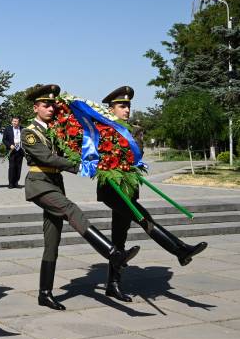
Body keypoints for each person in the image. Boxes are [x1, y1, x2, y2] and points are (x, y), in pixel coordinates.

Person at [21, 84, 140, 310]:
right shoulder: (29, 133)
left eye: (53, 105)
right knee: (72, 210)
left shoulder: (55, 131)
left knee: (52, 242)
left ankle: (44, 293)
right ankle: (112, 252)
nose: (50, 109)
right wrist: (79, 166)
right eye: (45, 105)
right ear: (36, 107)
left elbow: (75, 146)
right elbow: (48, 158)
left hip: (55, 185)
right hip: (39, 185)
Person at [98, 86, 207, 302]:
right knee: (144, 218)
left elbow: (135, 156)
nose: (127, 109)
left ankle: (113, 284)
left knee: (119, 237)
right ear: (111, 109)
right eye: (122, 106)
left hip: (129, 189)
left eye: (128, 106)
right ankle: (179, 250)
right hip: (112, 189)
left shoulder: (134, 131)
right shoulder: (100, 129)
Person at [3, 116, 25, 189]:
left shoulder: (23, 129)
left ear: (19, 122)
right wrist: (10, 145)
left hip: (20, 150)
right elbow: (4, 140)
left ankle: (16, 183)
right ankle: (11, 183)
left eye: (16, 121)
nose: (15, 123)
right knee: (12, 167)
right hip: (11, 150)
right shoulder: (7, 129)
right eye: (14, 121)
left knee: (18, 167)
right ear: (11, 122)